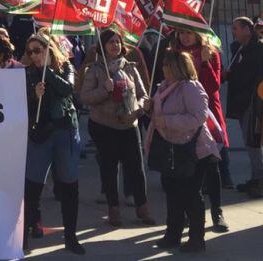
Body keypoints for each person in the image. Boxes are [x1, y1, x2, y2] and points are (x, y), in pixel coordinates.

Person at [146, 51, 222, 253]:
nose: (163, 68)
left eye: (166, 65)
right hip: (172, 147)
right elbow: (160, 113)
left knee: (190, 194)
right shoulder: (164, 87)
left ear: (177, 67)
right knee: (172, 192)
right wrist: (149, 109)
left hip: (195, 149)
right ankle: (173, 234)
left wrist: (168, 121)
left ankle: (197, 239)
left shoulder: (190, 87)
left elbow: (199, 117)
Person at [79, 30, 155, 227]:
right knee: (109, 168)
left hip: (129, 124)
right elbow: (85, 97)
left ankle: (142, 206)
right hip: (104, 125)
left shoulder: (130, 68)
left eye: (118, 42)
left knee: (137, 168)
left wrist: (142, 106)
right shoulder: (95, 70)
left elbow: (142, 94)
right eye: (111, 42)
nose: (115, 45)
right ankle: (113, 209)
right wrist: (105, 90)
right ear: (103, 46)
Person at [23, 32, 85, 254]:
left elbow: (67, 89)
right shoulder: (28, 73)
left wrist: (47, 73)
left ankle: (71, 237)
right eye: (30, 52)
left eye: (37, 51)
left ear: (48, 50)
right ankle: (22, 239)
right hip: (40, 136)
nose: (33, 56)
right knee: (32, 187)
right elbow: (21, 105)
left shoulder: (65, 68)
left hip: (64, 133)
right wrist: (33, 95)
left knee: (69, 186)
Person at [169, 29, 230, 231]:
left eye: (190, 33)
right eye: (182, 33)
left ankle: (217, 212)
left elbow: (213, 85)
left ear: (198, 34)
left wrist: (204, 62)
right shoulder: (174, 54)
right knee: (186, 169)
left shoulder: (210, 53)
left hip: (207, 115)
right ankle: (189, 213)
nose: (185, 37)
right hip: (183, 116)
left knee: (211, 166)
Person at [222, 17, 263, 198]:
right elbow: (236, 72)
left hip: (254, 103)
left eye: (236, 28)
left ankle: (259, 180)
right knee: (249, 143)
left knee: (254, 142)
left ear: (248, 29)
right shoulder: (238, 49)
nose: (233, 32)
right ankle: (256, 178)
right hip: (241, 102)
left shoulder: (259, 49)